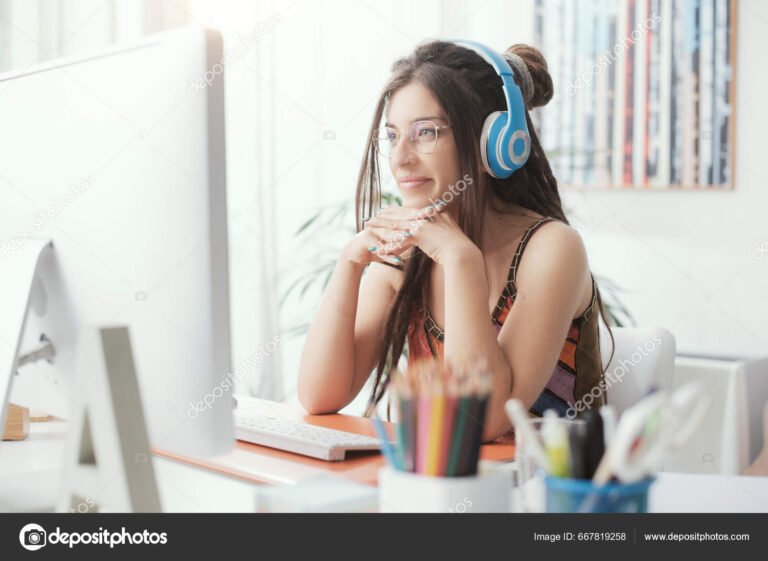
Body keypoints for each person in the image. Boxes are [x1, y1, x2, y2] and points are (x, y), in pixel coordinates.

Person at [298, 39, 614, 443]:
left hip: (547, 497)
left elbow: (482, 422)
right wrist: (349, 264)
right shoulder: (404, 258)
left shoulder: (552, 249)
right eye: (393, 136)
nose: (400, 158)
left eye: (425, 132)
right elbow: (319, 395)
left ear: (493, 140)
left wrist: (460, 259)